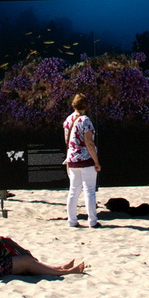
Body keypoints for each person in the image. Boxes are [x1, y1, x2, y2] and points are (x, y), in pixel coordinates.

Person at [63, 93, 101, 228]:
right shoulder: (85, 120)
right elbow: (89, 142)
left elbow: (67, 140)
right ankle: (92, 220)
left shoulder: (68, 120)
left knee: (73, 190)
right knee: (89, 190)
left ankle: (72, 220)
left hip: (72, 159)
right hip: (86, 159)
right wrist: (96, 161)